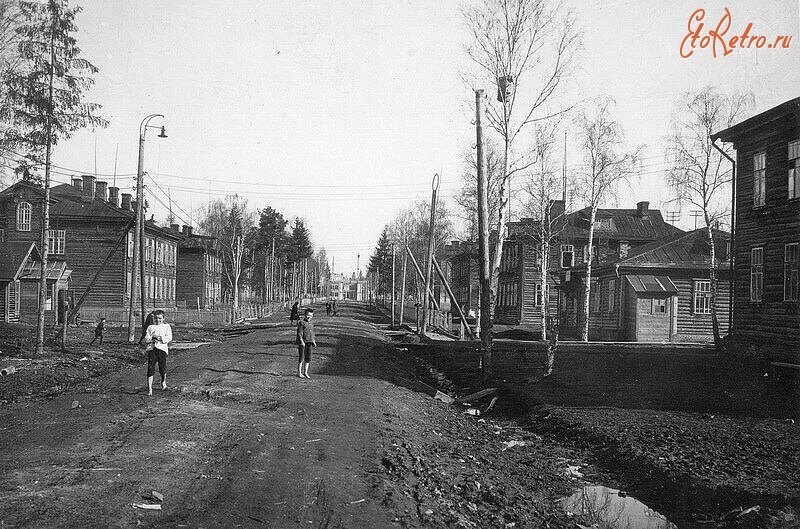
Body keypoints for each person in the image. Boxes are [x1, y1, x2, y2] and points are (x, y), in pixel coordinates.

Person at [144, 310, 172, 396]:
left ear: (163, 318)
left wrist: (160, 338)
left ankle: (163, 383)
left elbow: (169, 338)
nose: (158, 320)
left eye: (160, 318)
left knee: (162, 367)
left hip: (162, 349)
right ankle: (150, 388)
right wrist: (152, 338)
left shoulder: (166, 326)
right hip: (152, 349)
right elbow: (146, 339)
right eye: (156, 318)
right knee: (150, 367)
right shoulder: (150, 327)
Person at [296, 308, 316, 379]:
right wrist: (301, 341)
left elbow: (312, 333)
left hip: (309, 342)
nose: (309, 317)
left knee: (308, 358)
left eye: (311, 316)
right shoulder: (301, 322)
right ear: (305, 315)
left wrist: (313, 341)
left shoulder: (311, 323)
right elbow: (299, 333)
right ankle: (299, 372)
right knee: (301, 357)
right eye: (308, 315)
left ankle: (305, 372)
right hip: (303, 343)